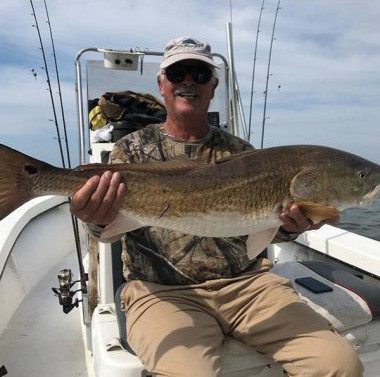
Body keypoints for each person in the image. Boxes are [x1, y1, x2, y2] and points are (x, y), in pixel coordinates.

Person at [70, 37, 363, 377]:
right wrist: (94, 219)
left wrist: (290, 226)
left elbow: (260, 228)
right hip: (164, 293)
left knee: (339, 365)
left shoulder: (243, 153)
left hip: (249, 287)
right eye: (179, 73)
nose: (189, 82)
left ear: (213, 86)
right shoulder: (131, 152)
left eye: (199, 73)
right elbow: (106, 227)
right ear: (162, 84)